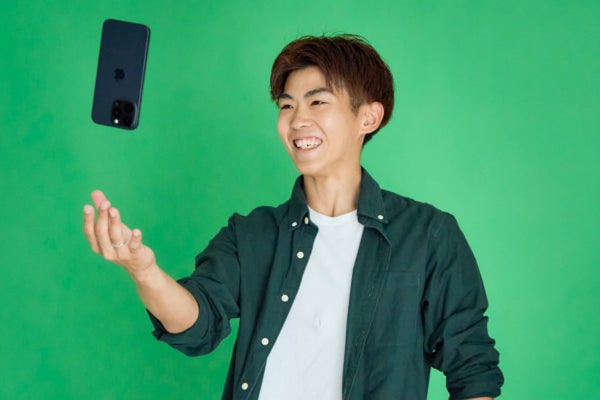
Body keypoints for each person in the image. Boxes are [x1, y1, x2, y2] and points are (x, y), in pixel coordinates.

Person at [83, 34, 503, 399]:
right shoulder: (251, 233)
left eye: (318, 101)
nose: (298, 120)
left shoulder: (428, 235)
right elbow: (197, 323)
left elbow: (472, 368)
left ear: (368, 117)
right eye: (287, 106)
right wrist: (144, 272)